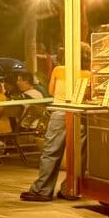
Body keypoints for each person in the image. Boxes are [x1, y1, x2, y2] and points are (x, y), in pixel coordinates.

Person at [21, 45, 91, 202]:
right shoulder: (88, 75)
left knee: (52, 152)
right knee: (79, 155)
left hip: (60, 112)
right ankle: (71, 189)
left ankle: (42, 190)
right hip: (81, 114)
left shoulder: (59, 70)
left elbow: (52, 91)